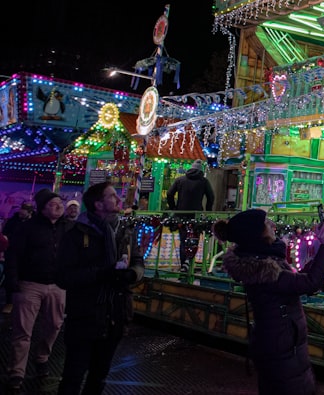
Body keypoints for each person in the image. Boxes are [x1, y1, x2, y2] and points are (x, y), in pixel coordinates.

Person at [213, 209, 324, 395]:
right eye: (267, 223)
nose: (272, 225)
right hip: (282, 349)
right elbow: (310, 282)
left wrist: (319, 248)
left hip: (279, 345)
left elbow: (300, 279)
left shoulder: (263, 261)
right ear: (257, 234)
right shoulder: (266, 271)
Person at [55, 182, 144, 395]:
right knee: (74, 375)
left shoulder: (124, 232)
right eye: (113, 196)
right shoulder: (76, 234)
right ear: (98, 204)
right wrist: (101, 273)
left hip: (115, 312)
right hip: (86, 313)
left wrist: (132, 274)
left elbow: (138, 260)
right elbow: (63, 276)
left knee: (99, 375)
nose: (119, 200)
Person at [4, 190, 70, 393]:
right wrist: (13, 281)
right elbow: (13, 254)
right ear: (42, 208)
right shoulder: (27, 229)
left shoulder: (68, 229)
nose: (58, 206)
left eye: (60, 203)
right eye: (53, 204)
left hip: (58, 285)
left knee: (55, 325)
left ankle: (42, 356)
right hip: (29, 283)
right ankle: (17, 371)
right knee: (23, 330)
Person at [166, 160, 215, 273]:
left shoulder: (180, 180)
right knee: (193, 239)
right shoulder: (204, 181)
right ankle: (189, 262)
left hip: (181, 215)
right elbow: (211, 196)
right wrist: (208, 211)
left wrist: (174, 208)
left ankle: (184, 263)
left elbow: (169, 194)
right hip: (196, 215)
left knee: (183, 240)